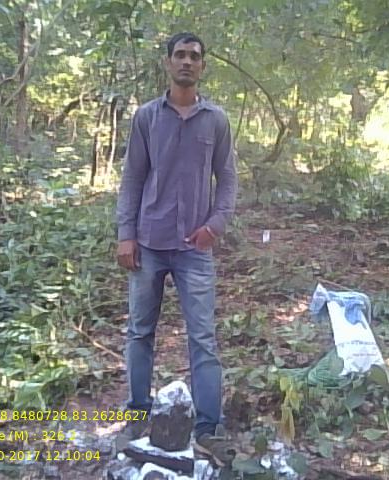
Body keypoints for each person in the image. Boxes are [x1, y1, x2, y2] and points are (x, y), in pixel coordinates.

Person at [115, 32, 237, 467]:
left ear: (202, 66)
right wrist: (125, 234)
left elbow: (228, 178)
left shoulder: (215, 120)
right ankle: (137, 415)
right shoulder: (147, 117)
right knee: (139, 332)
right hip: (149, 242)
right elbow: (132, 177)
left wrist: (214, 227)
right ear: (168, 62)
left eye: (194, 56)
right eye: (180, 55)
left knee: (202, 338)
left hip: (194, 249)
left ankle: (208, 430)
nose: (187, 61)